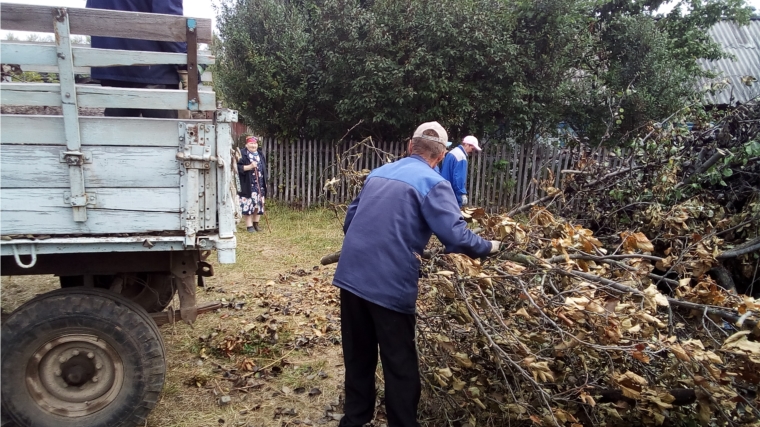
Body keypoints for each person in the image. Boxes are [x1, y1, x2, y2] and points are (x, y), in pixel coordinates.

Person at [332, 122, 500, 427]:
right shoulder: (435, 183)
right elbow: (458, 237)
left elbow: (350, 223)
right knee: (399, 364)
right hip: (389, 284)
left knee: (358, 356)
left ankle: (354, 420)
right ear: (442, 155)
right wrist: (489, 246)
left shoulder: (378, 173)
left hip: (352, 276)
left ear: (411, 146)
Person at [86, 0, 186, 118]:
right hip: (155, 71)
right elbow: (170, 23)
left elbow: (89, 13)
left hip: (111, 68)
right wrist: (186, 62)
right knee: (163, 132)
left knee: (118, 132)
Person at [440, 135, 482, 207]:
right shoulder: (461, 156)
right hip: (452, 193)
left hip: (444, 190)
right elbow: (458, 178)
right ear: (466, 145)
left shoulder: (452, 152)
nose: (472, 151)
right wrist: (462, 193)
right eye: (472, 149)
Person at [237, 136, 268, 232]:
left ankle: (256, 224)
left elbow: (264, 168)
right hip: (248, 184)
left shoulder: (260, 154)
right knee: (249, 204)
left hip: (260, 184)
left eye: (254, 144)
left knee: (259, 205)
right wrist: (249, 166)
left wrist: (265, 181)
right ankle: (249, 226)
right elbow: (237, 168)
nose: (253, 145)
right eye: (251, 143)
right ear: (246, 144)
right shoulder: (242, 154)